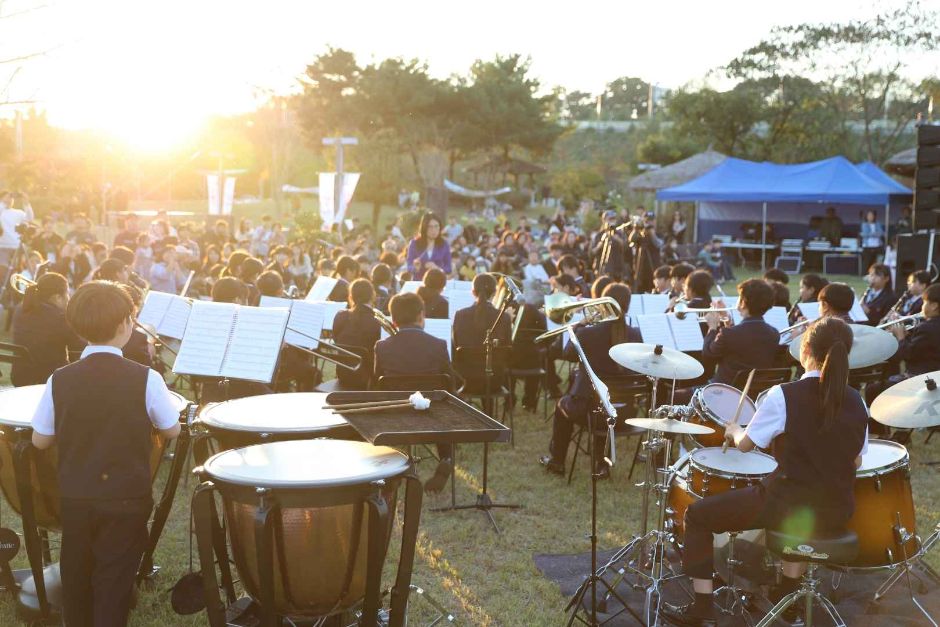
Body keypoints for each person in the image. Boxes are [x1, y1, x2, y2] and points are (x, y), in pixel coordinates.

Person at [663, 317, 868, 627]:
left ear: (805, 349)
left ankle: (702, 608)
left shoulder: (783, 395)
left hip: (785, 504)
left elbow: (747, 445)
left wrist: (732, 430)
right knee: (801, 512)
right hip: (837, 510)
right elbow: (856, 462)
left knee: (697, 516)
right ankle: (786, 595)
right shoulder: (857, 402)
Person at [30, 281, 182, 627]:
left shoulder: (60, 379)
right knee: (114, 582)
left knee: (77, 578)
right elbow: (172, 429)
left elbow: (40, 440)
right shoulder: (147, 378)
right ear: (127, 323)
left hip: (77, 497)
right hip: (126, 498)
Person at [539, 283, 642, 479]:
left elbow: (567, 354)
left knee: (563, 405)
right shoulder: (636, 335)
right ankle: (601, 465)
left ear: (603, 305)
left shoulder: (588, 333)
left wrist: (578, 327)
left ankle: (557, 461)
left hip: (591, 413)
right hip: (625, 412)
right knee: (601, 403)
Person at [374, 292, 455, 493]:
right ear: (421, 315)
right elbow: (450, 385)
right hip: (431, 414)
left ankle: (386, 466)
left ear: (393, 321)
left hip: (395, 415)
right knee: (445, 402)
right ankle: (446, 457)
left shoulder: (382, 347)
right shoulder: (438, 345)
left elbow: (375, 385)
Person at [11, 273, 85, 386]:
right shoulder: (60, 317)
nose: (69, 298)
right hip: (50, 380)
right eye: (68, 294)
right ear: (57, 298)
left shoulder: (20, 309)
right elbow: (81, 347)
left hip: (20, 377)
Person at [702, 279, 780, 385]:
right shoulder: (774, 333)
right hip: (751, 393)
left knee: (677, 395)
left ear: (743, 302)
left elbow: (708, 356)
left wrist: (712, 327)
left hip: (723, 392)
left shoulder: (729, 334)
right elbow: (743, 338)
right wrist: (726, 319)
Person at [333, 278, 383, 389]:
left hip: (343, 374)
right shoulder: (378, 321)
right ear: (372, 296)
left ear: (351, 296)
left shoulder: (340, 316)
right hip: (368, 379)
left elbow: (337, 340)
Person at [406, 212, 452, 279]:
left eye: (436, 226)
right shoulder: (414, 243)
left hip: (438, 282)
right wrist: (415, 268)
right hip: (419, 283)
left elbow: (448, 269)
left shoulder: (444, 244)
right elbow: (409, 265)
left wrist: (437, 268)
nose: (434, 230)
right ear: (424, 228)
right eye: (430, 227)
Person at [0, 190, 35, 271]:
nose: (9, 200)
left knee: (17, 270)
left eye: (11, 198)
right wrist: (3, 202)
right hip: (2, 247)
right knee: (3, 270)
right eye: (7, 197)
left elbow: (30, 218)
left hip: (17, 246)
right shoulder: (1, 211)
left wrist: (26, 203)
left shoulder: (18, 212)